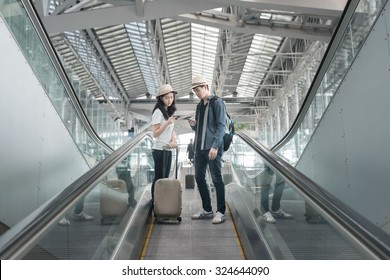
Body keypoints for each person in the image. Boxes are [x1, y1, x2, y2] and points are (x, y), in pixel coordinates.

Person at [188, 76, 227, 224]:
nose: (196, 93)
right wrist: (194, 125)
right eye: (195, 91)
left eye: (198, 90)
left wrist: (215, 146)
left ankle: (221, 212)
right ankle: (207, 210)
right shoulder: (200, 106)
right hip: (199, 148)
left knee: (217, 179)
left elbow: (221, 126)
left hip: (212, 148)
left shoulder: (217, 102)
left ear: (205, 86)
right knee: (199, 177)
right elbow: (200, 128)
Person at [150, 84, 178, 204]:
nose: (170, 100)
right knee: (159, 179)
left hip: (168, 150)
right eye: (167, 97)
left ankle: (163, 205)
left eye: (171, 97)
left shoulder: (168, 111)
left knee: (165, 179)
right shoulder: (158, 112)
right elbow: (155, 134)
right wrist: (166, 123)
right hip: (159, 150)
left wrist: (173, 141)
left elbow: (170, 131)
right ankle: (156, 204)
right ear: (161, 98)